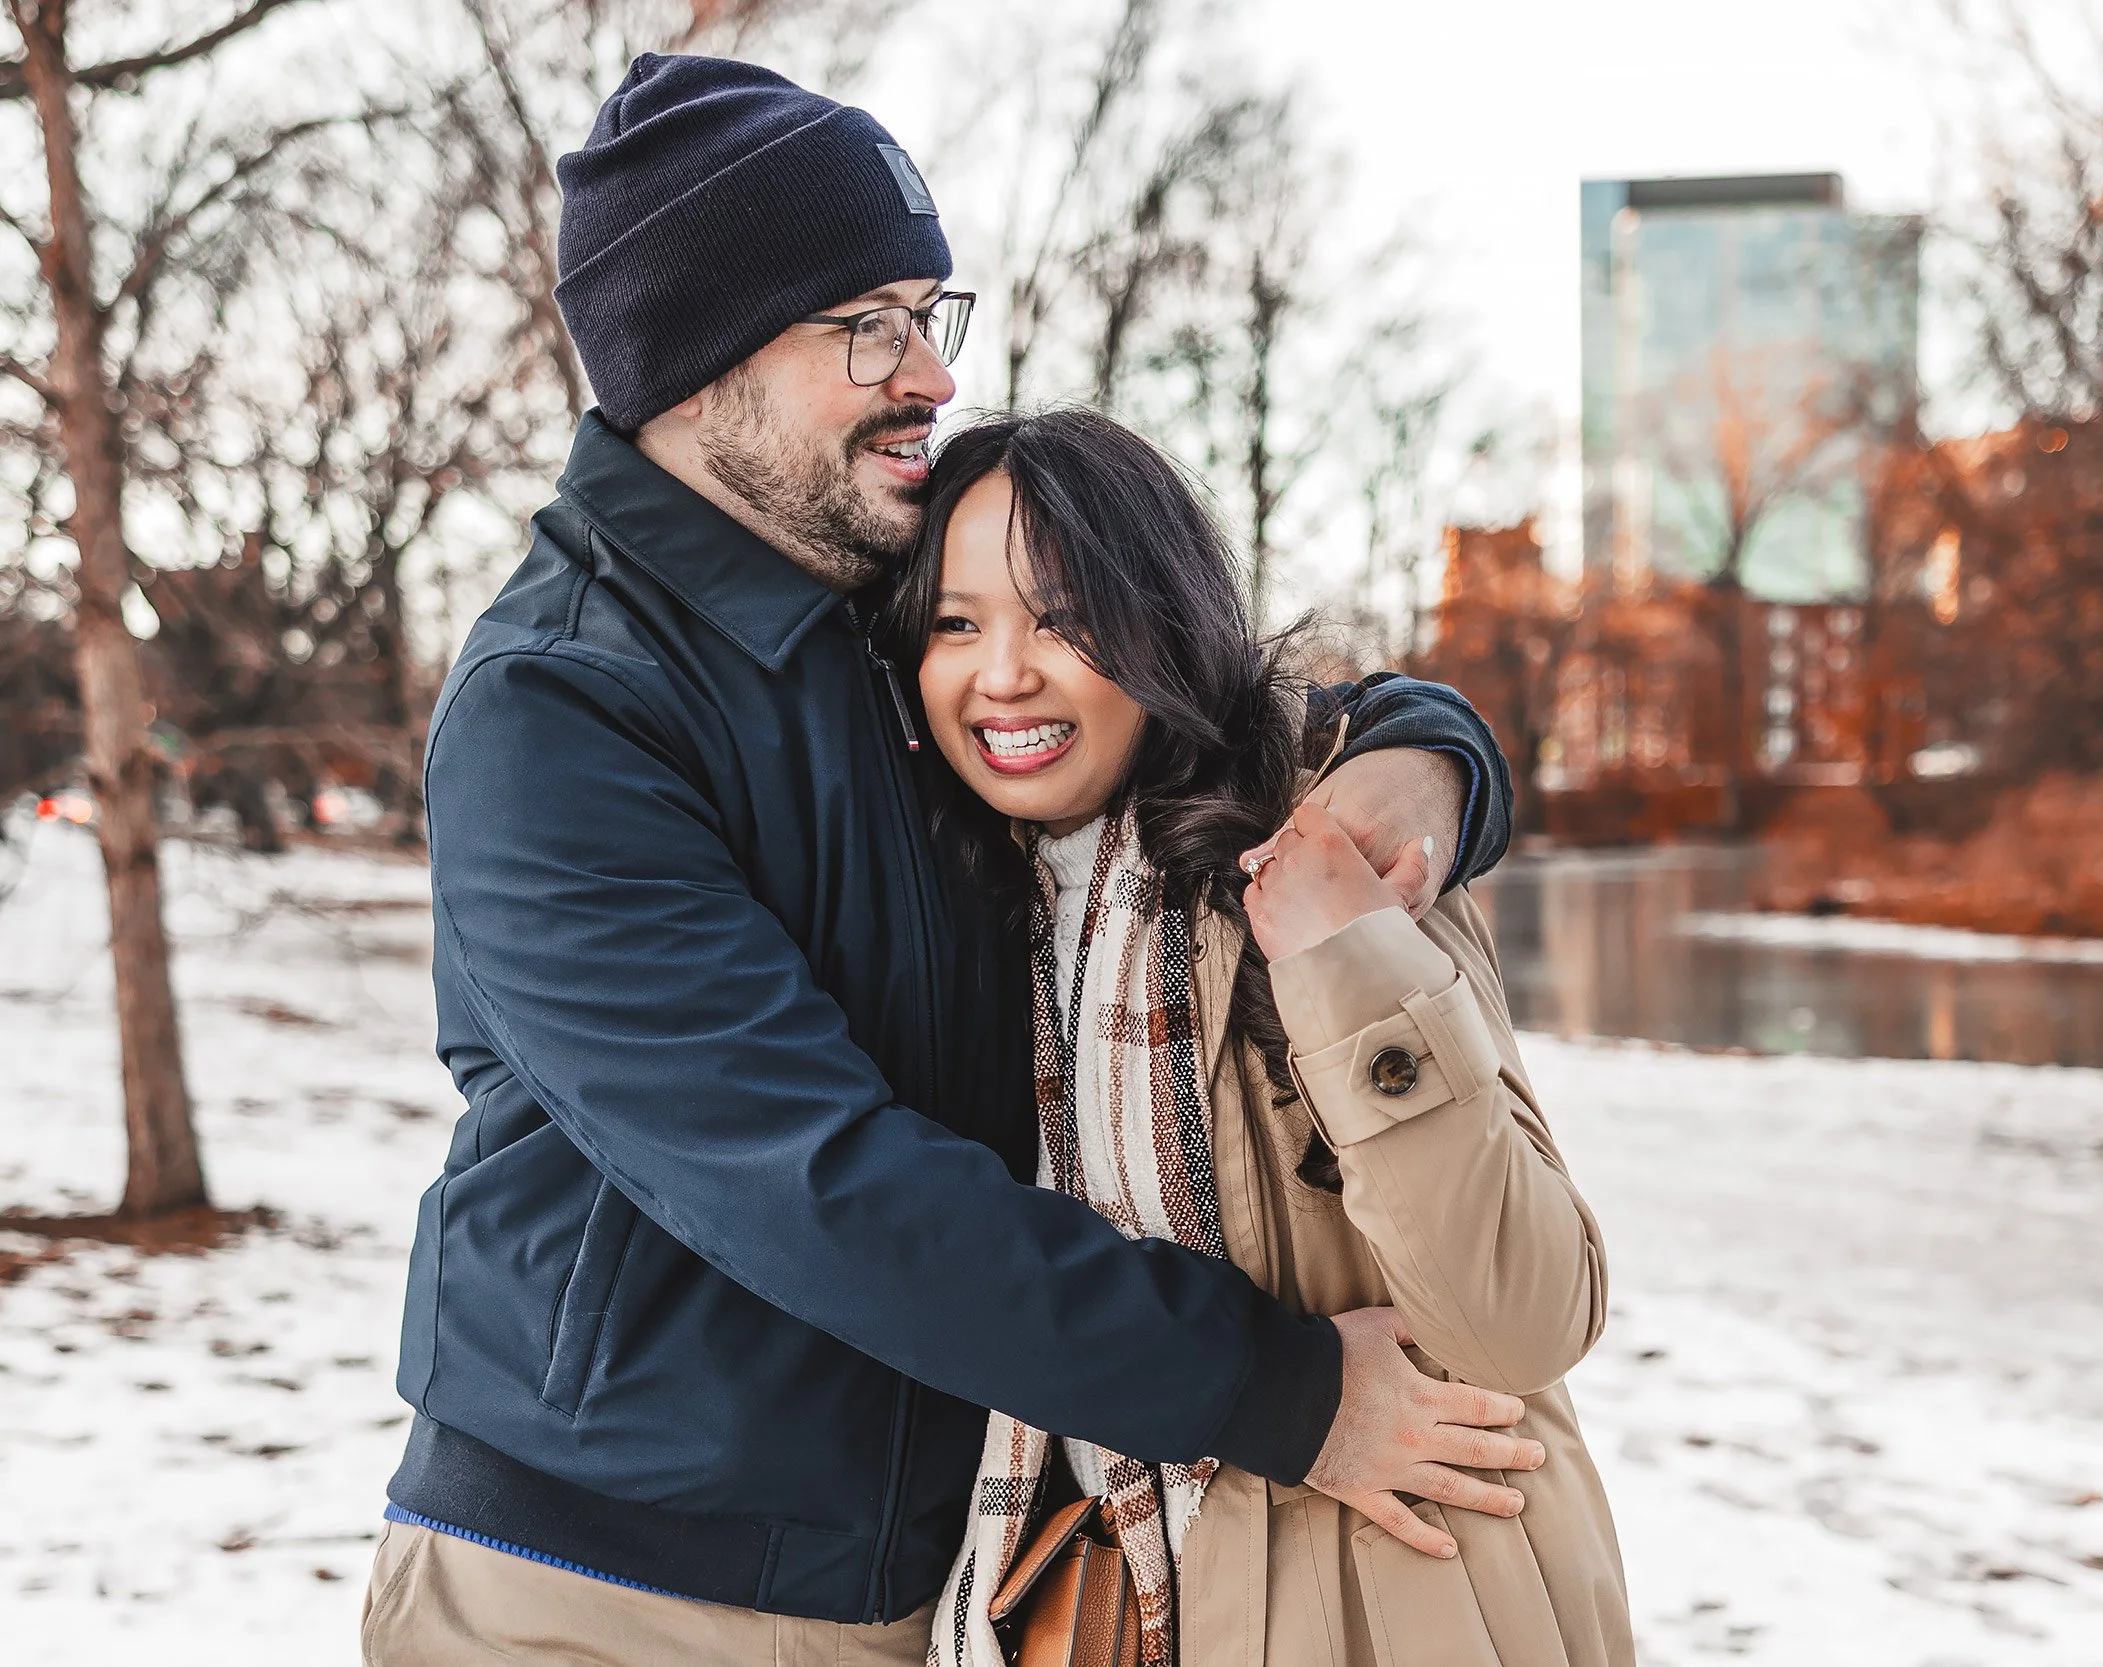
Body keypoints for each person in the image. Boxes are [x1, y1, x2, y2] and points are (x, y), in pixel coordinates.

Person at [361, 55, 1534, 1667]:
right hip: (603, 1586)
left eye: (930, 312)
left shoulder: (901, 607)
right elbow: (815, 1182)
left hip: (909, 1574)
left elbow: (1209, 691)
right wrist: (1283, 1391)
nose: (927, 371)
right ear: (700, 358)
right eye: (868, 324)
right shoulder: (560, 709)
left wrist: (1425, 760)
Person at [894, 406, 1633, 1666]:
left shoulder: (1329, 834)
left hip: (1392, 1603)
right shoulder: (946, 903)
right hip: (1078, 1599)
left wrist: (1342, 960)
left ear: (1158, 622)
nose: (1003, 672)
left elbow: (1524, 1312)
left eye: (1062, 616)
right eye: (956, 623)